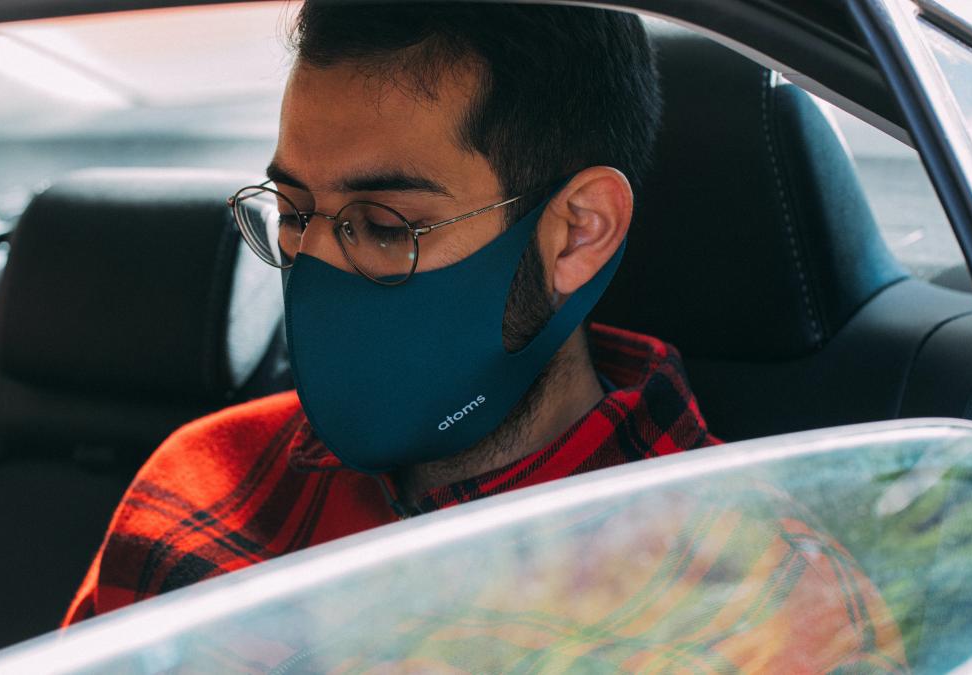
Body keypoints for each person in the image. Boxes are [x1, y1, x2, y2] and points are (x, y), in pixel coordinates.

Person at [63, 4, 904, 669]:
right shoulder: (201, 485)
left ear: (577, 232)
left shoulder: (762, 601)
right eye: (292, 214)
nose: (315, 268)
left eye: (385, 224)